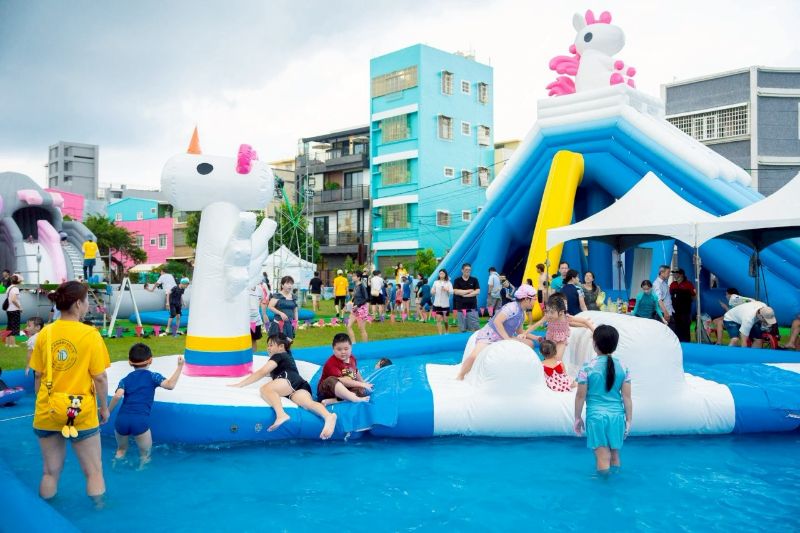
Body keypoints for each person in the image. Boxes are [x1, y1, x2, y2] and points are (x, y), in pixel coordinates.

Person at [29, 281, 110, 504]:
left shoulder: (45, 333)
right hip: (80, 411)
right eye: (86, 301)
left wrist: (41, 403)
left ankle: (45, 514)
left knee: (49, 472)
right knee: (94, 471)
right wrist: (104, 407)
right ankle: (99, 511)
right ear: (77, 304)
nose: (88, 305)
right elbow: (100, 377)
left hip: (48, 409)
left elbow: (38, 375)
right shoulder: (90, 334)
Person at [228, 333, 337, 440]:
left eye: (271, 345)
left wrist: (240, 384)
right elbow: (267, 373)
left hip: (289, 378)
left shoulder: (278, 355)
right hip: (301, 385)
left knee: (266, 389)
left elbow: (262, 371)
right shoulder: (287, 357)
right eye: (267, 345)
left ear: (281, 347)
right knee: (308, 403)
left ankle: (281, 414)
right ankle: (328, 416)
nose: (268, 348)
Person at [108, 344, 184, 467]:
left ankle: (114, 468)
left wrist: (107, 411)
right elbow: (170, 385)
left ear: (129, 362)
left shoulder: (125, 379)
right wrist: (180, 366)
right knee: (145, 455)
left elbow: (117, 396)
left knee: (121, 450)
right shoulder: (153, 376)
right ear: (150, 360)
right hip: (140, 420)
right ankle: (140, 472)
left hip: (122, 419)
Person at [574, 325, 633, 474]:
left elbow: (580, 396)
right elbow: (627, 397)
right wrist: (628, 420)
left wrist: (577, 418)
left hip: (596, 417)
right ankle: (617, 484)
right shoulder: (624, 367)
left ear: (595, 344)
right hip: (617, 417)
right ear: (615, 345)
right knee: (615, 455)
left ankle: (604, 487)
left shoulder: (587, 368)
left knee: (602, 457)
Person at [457, 285, 538, 380]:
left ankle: (521, 369)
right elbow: (497, 321)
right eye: (534, 299)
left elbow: (520, 331)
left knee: (529, 344)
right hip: (490, 335)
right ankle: (460, 375)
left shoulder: (521, 313)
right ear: (526, 299)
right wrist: (507, 338)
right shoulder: (512, 307)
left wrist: (536, 338)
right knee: (474, 356)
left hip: (504, 337)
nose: (535, 301)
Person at [524, 293, 594, 361]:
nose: (549, 314)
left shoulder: (566, 317)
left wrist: (594, 331)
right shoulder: (547, 317)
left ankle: (558, 367)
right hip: (550, 339)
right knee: (548, 357)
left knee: (558, 359)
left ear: (560, 312)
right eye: (547, 311)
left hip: (561, 340)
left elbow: (584, 321)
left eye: (552, 312)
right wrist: (525, 333)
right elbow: (536, 325)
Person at [317, 333, 373, 405]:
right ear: (333, 349)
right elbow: (342, 381)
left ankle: (334, 400)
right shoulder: (331, 363)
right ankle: (354, 398)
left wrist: (363, 383)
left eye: (346, 349)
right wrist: (361, 384)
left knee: (361, 390)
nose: (343, 352)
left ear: (351, 347)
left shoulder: (352, 358)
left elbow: (355, 371)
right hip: (327, 392)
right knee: (331, 380)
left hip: (343, 391)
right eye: (339, 349)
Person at [669, 268, 696, 342]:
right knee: (676, 326)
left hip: (685, 311)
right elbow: (670, 295)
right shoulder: (673, 284)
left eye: (676, 273)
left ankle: (686, 342)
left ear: (681, 274)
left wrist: (687, 302)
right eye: (673, 273)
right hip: (675, 310)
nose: (674, 275)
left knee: (685, 326)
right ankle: (676, 341)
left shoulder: (688, 284)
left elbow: (694, 295)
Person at [268, 276, 299, 341]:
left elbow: (295, 311)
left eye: (291, 284)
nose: (290, 285)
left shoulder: (293, 297)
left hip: (289, 325)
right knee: (278, 343)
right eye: (287, 283)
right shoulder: (277, 295)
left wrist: (295, 322)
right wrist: (280, 313)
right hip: (278, 324)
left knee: (288, 343)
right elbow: (270, 306)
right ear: (282, 285)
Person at [452, 263, 480, 333]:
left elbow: (477, 291)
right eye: (466, 269)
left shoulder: (474, 280)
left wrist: (465, 295)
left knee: (475, 328)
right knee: (462, 329)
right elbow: (456, 291)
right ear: (462, 270)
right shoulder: (457, 280)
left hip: (472, 307)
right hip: (460, 308)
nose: (468, 271)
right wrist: (469, 290)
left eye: (469, 270)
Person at [347, 271, 370, 343]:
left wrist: (358, 305)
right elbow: (354, 297)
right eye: (352, 276)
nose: (352, 277)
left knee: (361, 329)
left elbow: (366, 298)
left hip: (362, 309)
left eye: (354, 276)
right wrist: (349, 304)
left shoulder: (362, 286)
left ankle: (365, 346)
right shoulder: (355, 286)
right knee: (348, 326)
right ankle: (354, 343)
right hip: (355, 308)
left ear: (358, 277)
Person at [431, 269, 453, 335]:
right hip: (437, 304)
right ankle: (440, 334)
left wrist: (446, 289)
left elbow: (452, 291)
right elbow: (432, 290)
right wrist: (433, 291)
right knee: (438, 319)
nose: (441, 274)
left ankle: (446, 331)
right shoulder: (436, 282)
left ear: (445, 274)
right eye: (440, 273)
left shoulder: (448, 283)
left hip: (445, 305)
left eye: (442, 273)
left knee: (445, 320)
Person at [3, 274, 22, 348]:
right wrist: (20, 307)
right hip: (14, 310)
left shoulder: (9, 287)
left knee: (9, 326)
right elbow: (14, 300)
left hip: (9, 309)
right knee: (14, 327)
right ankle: (12, 344)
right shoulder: (15, 288)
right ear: (18, 281)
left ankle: (7, 343)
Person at [248, 284, 264, 352]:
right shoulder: (245, 288)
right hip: (245, 321)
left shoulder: (259, 289)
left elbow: (261, 300)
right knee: (244, 340)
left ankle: (253, 356)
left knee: (254, 340)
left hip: (256, 320)